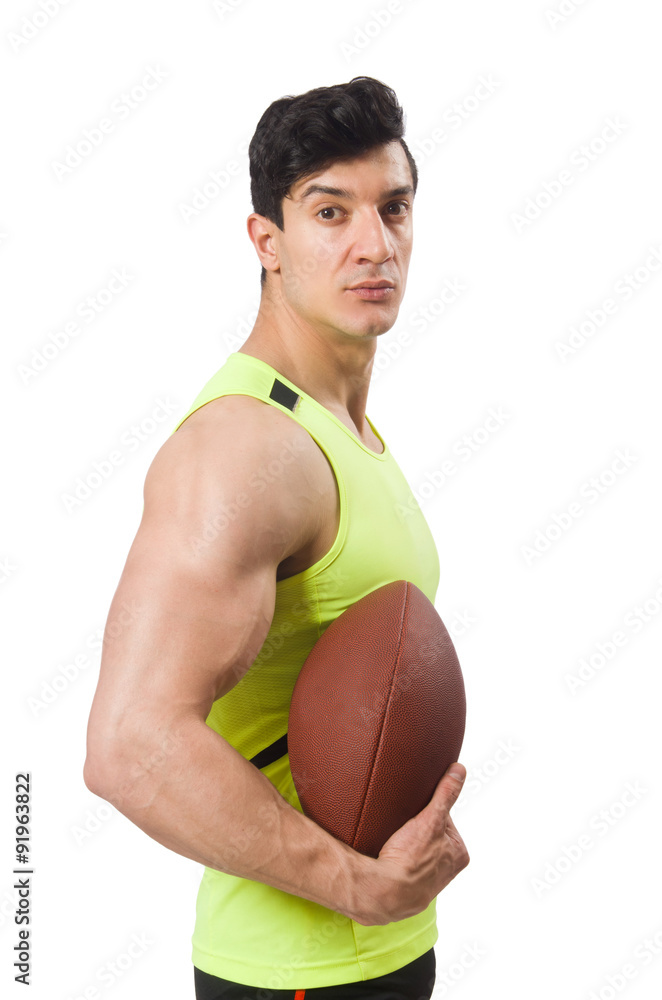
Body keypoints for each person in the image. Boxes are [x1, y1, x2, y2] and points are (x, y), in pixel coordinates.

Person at [83, 75, 470, 999]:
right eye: (330, 213)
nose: (375, 245)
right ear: (267, 242)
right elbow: (128, 744)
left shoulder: (342, 426)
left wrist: (386, 896)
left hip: (382, 954)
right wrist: (358, 886)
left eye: (395, 208)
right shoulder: (244, 447)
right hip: (292, 976)